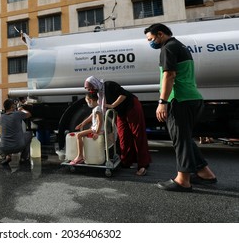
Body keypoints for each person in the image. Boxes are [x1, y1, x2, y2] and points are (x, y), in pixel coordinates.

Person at [144, 23, 217, 192]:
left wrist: (162, 102)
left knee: (181, 140)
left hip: (180, 100)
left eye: (151, 39)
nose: (151, 43)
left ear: (160, 34)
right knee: (185, 138)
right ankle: (205, 173)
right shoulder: (180, 46)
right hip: (191, 98)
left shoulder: (168, 48)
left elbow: (169, 75)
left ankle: (183, 180)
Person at [84, 76, 151, 176]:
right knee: (123, 135)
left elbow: (123, 95)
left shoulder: (108, 85)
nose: (90, 91)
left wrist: (112, 105)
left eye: (90, 88)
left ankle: (143, 165)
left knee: (137, 135)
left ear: (94, 84)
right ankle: (126, 162)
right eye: (87, 89)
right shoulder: (99, 94)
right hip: (121, 112)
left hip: (131, 106)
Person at [0, 98, 32, 165]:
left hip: (5, 148)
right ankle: (23, 157)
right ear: (12, 107)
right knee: (29, 134)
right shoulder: (18, 114)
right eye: (14, 105)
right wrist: (21, 109)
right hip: (19, 146)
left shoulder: (2, 117)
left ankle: (6, 156)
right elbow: (29, 114)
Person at [70, 91, 103, 165]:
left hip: (96, 130)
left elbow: (100, 121)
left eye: (87, 101)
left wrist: (97, 133)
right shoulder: (96, 108)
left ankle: (80, 156)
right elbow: (90, 118)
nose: (88, 103)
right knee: (80, 134)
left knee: (78, 135)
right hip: (95, 129)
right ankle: (82, 155)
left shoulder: (97, 109)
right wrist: (81, 124)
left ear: (90, 100)